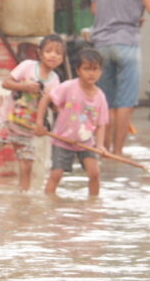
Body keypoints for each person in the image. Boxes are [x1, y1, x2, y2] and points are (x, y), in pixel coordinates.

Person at [0, 34, 65, 192]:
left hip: (28, 129)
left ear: (62, 58)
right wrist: (25, 87)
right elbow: (6, 83)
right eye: (49, 51)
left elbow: (54, 107)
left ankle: (23, 202)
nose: (53, 55)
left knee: (26, 168)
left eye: (58, 53)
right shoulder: (28, 66)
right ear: (39, 53)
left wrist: (50, 99)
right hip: (7, 122)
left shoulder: (55, 80)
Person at [90, 0, 150, 156]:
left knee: (106, 102)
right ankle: (118, 153)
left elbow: (95, 9)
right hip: (127, 43)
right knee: (125, 103)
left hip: (101, 45)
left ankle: (104, 149)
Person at [35, 49, 109, 197]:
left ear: (101, 71)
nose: (91, 74)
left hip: (86, 142)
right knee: (56, 175)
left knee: (94, 174)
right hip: (62, 140)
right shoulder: (69, 87)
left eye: (95, 69)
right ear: (78, 71)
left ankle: (93, 205)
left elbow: (101, 124)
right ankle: (49, 203)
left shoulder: (100, 96)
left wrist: (100, 145)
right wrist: (39, 123)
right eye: (86, 69)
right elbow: (46, 99)